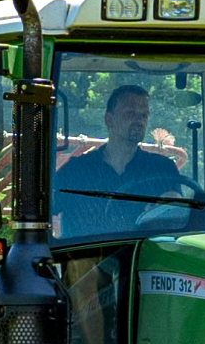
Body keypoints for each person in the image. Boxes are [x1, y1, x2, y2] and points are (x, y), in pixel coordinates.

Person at [56, 84, 182, 236]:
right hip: (87, 250)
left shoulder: (163, 169)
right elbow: (42, 211)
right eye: (130, 113)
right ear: (109, 120)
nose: (139, 121)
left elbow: (178, 221)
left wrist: (172, 205)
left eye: (144, 116)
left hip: (142, 250)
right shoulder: (76, 171)